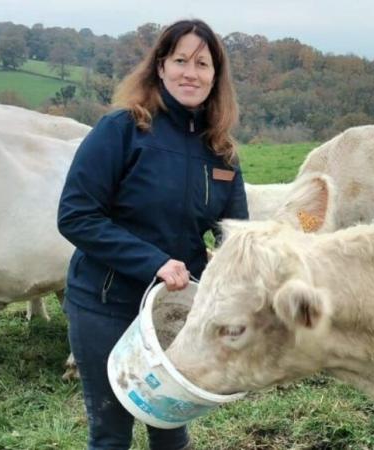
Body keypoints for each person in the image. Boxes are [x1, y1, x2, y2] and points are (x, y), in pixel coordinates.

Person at [57, 19, 248, 450]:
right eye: (180, 60)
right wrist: (153, 262)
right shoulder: (122, 130)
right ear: (160, 67)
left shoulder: (222, 151)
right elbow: (75, 215)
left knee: (170, 429)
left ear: (215, 76)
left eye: (202, 63)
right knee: (110, 434)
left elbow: (236, 235)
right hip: (105, 304)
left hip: (175, 312)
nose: (190, 72)